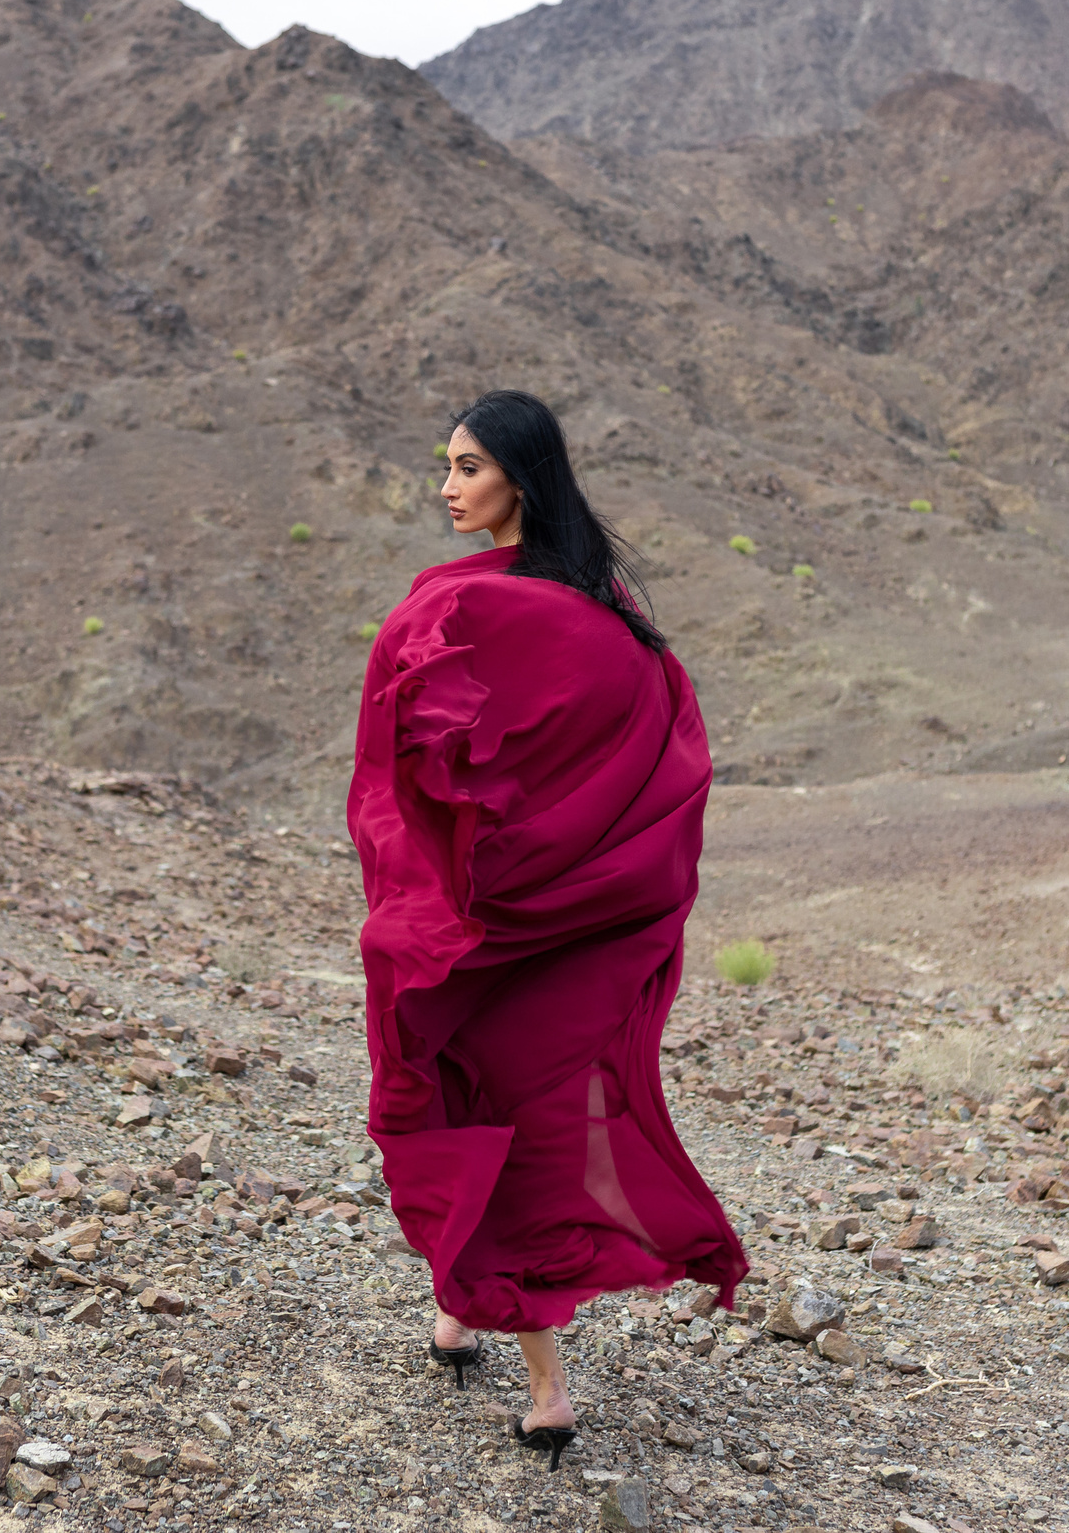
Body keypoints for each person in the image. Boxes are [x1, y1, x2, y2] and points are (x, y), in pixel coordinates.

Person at [346, 389, 748, 1471]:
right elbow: (649, 765)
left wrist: (453, 879)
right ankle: (457, 1307)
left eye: (467, 467)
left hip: (484, 932)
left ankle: (548, 1389)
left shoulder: (471, 610)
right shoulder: (604, 612)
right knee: (498, 1110)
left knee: (471, 1109)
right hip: (555, 930)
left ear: (520, 476)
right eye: (446, 465)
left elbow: (424, 757)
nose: (447, 487)